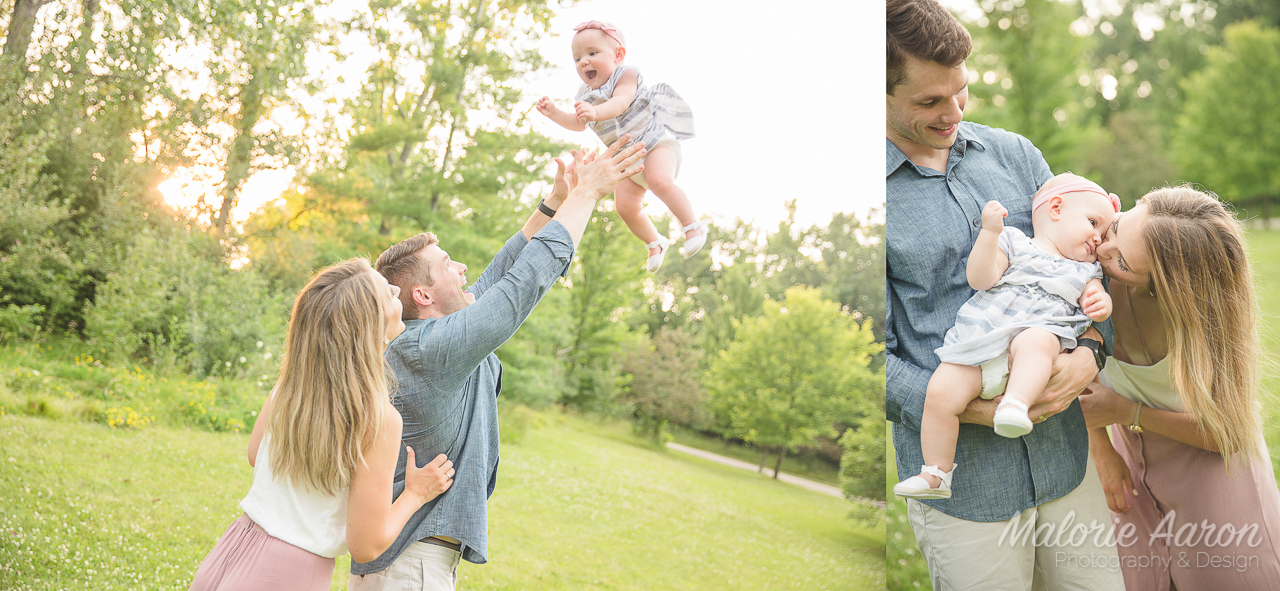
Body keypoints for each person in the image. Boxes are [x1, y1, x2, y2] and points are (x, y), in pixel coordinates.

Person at [885, 0, 1123, 587]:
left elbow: (1096, 258)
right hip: (965, 485)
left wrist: (1092, 348)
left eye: (960, 92)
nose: (953, 113)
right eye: (929, 102)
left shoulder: (1016, 155)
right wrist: (962, 404)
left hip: (1065, 461)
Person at [347, 136, 646, 590]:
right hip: (408, 564)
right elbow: (517, 289)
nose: (463, 267)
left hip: (417, 562)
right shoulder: (425, 349)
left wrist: (555, 201)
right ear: (423, 296)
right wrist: (588, 193)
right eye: (448, 265)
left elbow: (501, 274)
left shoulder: (440, 339)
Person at [189, 258, 457, 591]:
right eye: (385, 292)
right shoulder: (378, 418)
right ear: (368, 325)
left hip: (233, 550)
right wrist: (415, 494)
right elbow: (366, 545)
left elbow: (256, 453)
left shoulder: (291, 386)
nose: (396, 289)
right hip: (288, 575)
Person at [1083, 186, 1280, 588]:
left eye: (1123, 261)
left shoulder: (1205, 321)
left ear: (1166, 287)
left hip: (1214, 472)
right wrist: (1101, 448)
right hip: (1129, 473)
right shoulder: (1090, 279)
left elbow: (1227, 434)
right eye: (1118, 228)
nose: (1105, 250)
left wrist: (1125, 412)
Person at [895, 173, 1118, 499]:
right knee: (940, 394)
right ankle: (936, 474)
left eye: (1103, 231)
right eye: (1094, 222)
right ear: (1055, 208)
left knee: (1036, 341)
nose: (1099, 238)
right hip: (980, 345)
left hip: (1034, 344)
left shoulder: (1086, 270)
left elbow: (1096, 298)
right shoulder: (1013, 241)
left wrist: (1102, 303)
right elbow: (981, 278)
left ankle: (1015, 403)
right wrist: (989, 234)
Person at [535, 19, 704, 273]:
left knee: (659, 180)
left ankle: (693, 226)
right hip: (627, 159)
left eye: (592, 53)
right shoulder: (584, 94)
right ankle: (654, 242)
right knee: (625, 206)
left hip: (655, 145)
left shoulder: (626, 75)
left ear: (618, 55)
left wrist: (595, 110)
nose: (583, 61)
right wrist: (555, 113)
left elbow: (621, 102)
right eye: (577, 57)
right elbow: (579, 123)